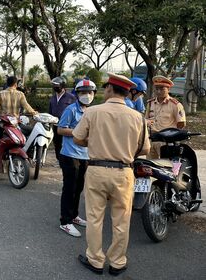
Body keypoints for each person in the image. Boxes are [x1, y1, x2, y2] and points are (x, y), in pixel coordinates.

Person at [73, 73, 150, 276]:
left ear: (109, 89)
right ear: (127, 93)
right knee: (121, 219)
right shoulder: (138, 117)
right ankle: (117, 262)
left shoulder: (93, 112)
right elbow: (144, 149)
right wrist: (123, 149)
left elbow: (77, 138)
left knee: (94, 217)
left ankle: (95, 260)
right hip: (124, 172)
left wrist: (97, 144)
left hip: (97, 170)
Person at [57, 79, 97, 238]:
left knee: (79, 187)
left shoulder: (92, 111)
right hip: (70, 154)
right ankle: (65, 221)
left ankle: (74, 215)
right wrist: (78, 132)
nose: (86, 95)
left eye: (89, 92)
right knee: (69, 188)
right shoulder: (70, 110)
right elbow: (60, 129)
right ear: (77, 94)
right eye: (82, 92)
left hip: (85, 155)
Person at [145, 75, 186, 159]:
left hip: (166, 141)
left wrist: (172, 137)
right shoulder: (150, 103)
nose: (158, 91)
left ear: (168, 89)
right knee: (150, 167)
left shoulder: (175, 104)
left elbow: (181, 124)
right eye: (156, 88)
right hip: (151, 139)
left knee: (166, 165)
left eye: (162, 88)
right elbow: (146, 120)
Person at [48, 76, 76, 163]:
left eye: (57, 85)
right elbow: (50, 111)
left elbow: (75, 110)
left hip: (66, 126)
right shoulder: (52, 98)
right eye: (54, 85)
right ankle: (59, 160)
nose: (55, 87)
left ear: (62, 85)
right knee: (57, 143)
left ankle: (66, 160)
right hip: (55, 125)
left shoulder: (71, 97)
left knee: (66, 143)